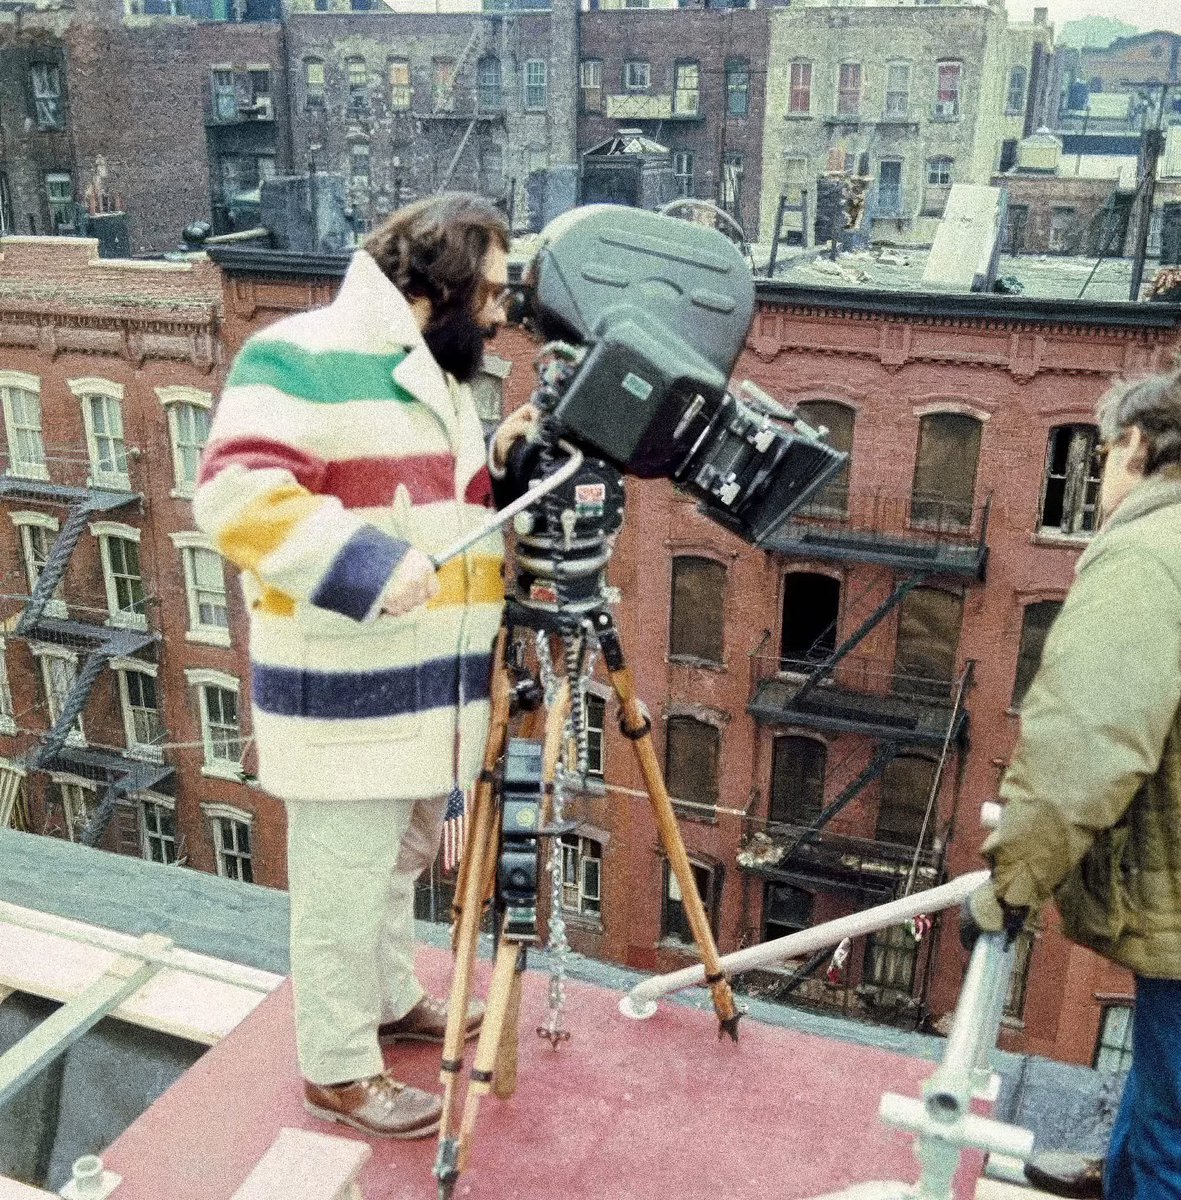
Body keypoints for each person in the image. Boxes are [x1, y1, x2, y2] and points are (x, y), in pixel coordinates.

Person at [194, 194, 536, 1139]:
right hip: (346, 703)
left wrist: (500, 470)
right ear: (435, 287)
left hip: (428, 696)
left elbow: (439, 516)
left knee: (398, 865)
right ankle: (337, 1071)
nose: (505, 314)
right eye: (495, 292)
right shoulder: (297, 351)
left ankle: (389, 1003)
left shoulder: (438, 376)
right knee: (343, 888)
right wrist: (366, 567)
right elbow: (232, 494)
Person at [961, 368, 1181, 1199]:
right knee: (1162, 1090)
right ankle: (1124, 1170)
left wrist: (1009, 890)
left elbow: (1081, 747)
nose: (1094, 484)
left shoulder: (1151, 554)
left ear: (1136, 444)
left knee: (1174, 1135)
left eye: (1099, 457)